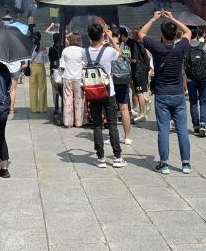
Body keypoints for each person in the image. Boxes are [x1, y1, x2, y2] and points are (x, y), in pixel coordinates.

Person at [138, 10, 192, 175]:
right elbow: (188, 31)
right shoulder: (181, 47)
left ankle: (164, 163)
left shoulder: (157, 47)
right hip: (178, 94)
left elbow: (141, 33)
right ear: (176, 33)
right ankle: (186, 163)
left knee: (163, 129)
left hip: (162, 93)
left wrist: (153, 18)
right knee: (182, 129)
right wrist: (172, 18)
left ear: (162, 34)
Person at [83, 23, 127, 169]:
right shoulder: (108, 51)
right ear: (101, 35)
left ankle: (101, 158)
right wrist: (108, 35)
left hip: (92, 91)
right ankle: (117, 157)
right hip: (109, 92)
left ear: (89, 37)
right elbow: (120, 53)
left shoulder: (84, 52)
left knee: (97, 125)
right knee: (112, 125)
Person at [186, 32, 206, 137]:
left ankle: (195, 126)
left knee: (193, 102)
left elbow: (184, 64)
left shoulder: (186, 46)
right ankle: (203, 124)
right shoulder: (204, 45)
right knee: (203, 102)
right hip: (203, 77)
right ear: (198, 35)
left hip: (190, 79)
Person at [59, 33, 86, 127]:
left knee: (67, 99)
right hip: (79, 78)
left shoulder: (65, 50)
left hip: (67, 77)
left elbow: (62, 65)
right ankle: (78, 122)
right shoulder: (82, 51)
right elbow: (85, 64)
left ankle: (67, 122)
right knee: (79, 100)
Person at [127, 28, 150, 120]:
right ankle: (145, 106)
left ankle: (142, 113)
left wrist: (127, 59)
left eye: (133, 34)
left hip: (138, 71)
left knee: (139, 92)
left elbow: (134, 59)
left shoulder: (135, 44)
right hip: (143, 71)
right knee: (141, 92)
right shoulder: (143, 43)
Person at [29, 35, 49, 113]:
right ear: (40, 39)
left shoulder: (30, 48)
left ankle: (34, 108)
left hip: (33, 68)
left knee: (33, 88)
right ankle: (42, 108)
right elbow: (46, 61)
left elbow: (29, 59)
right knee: (42, 88)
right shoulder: (43, 49)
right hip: (41, 68)